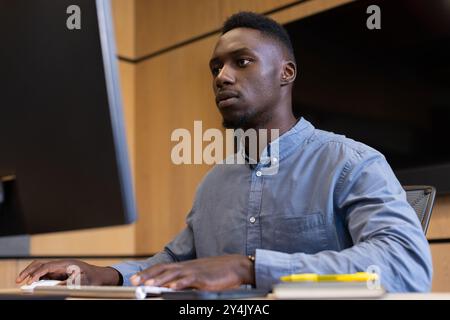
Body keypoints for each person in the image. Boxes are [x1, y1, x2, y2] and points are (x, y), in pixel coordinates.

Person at [16, 12, 432, 292]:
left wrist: (247, 267)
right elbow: (176, 259)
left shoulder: (351, 163)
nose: (223, 76)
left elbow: (406, 266)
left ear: (286, 73)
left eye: (242, 62)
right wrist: (103, 274)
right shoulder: (216, 181)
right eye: (216, 67)